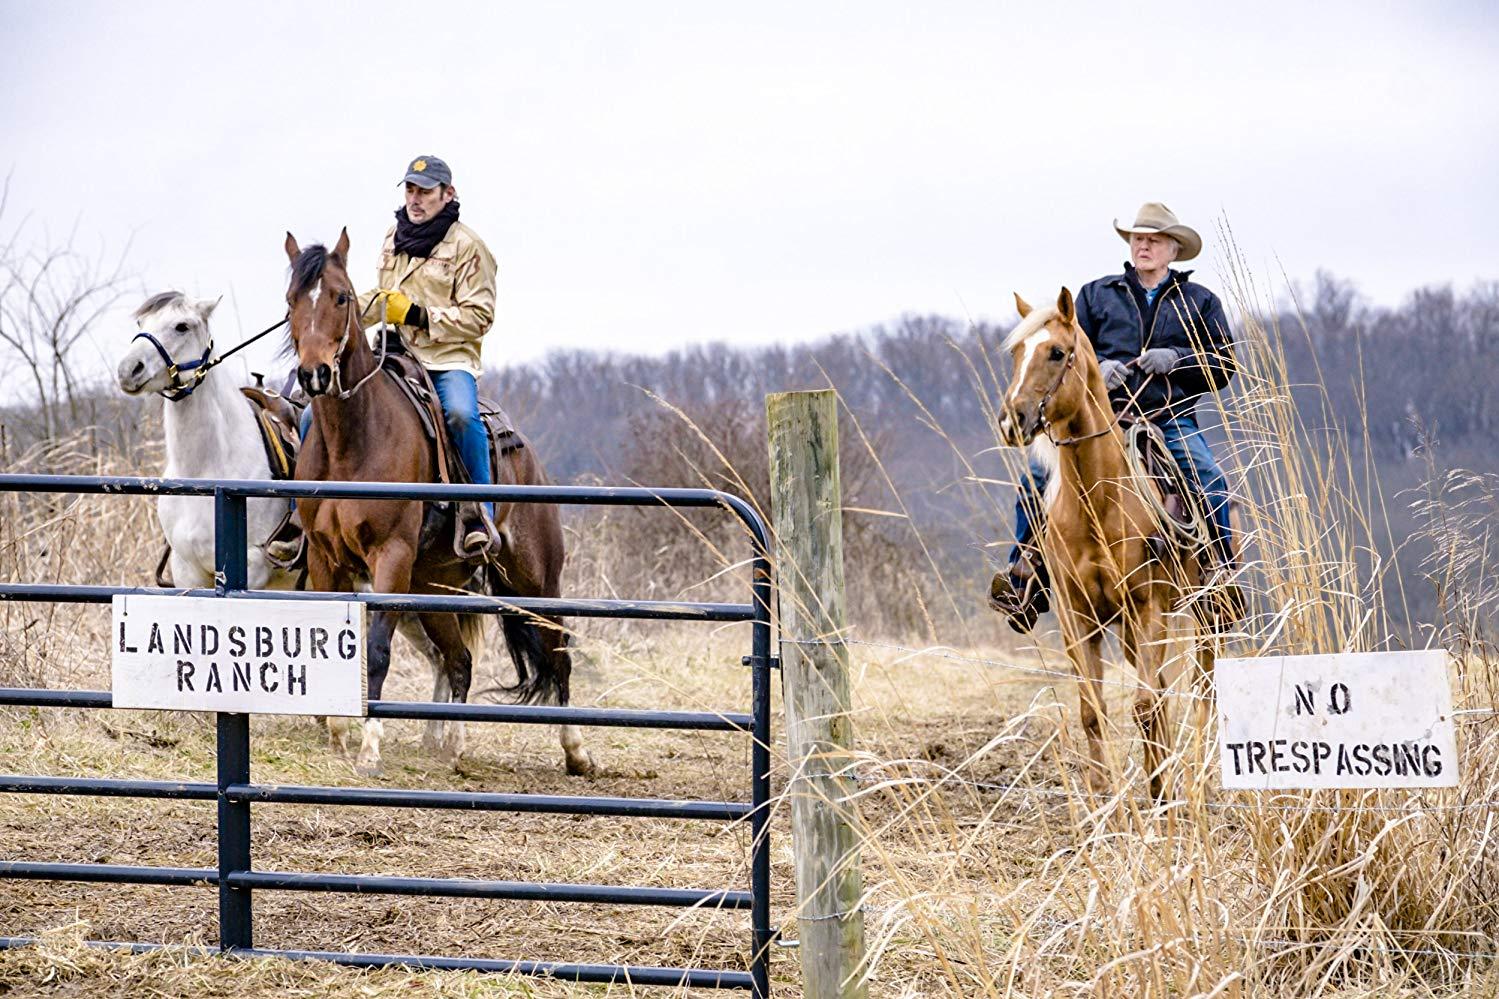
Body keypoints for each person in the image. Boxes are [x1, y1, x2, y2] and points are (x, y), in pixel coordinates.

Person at [989, 202, 1239, 631]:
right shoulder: (1095, 295)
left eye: (1154, 240)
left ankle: (1218, 577)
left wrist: (1177, 359)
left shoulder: (1199, 302)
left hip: (1168, 415)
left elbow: (1223, 364)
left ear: (1173, 249)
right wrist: (1101, 367)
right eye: (1138, 238)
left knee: (1208, 476)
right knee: (1036, 476)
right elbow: (1070, 349)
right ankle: (1024, 575)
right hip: (1103, 417)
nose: (1143, 245)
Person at [297, 154, 500, 557]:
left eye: (425, 191)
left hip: (447, 360)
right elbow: (381, 297)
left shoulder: (470, 247)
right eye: (410, 190)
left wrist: (419, 315)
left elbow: (481, 316)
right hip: (394, 354)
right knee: (310, 414)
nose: (416, 199)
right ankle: (299, 514)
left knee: (460, 414)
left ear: (448, 194)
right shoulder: (394, 237)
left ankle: (479, 512)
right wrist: (336, 313)